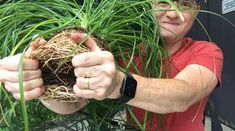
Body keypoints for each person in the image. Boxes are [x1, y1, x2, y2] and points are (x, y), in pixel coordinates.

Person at [0, 0, 223, 130]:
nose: (173, 13)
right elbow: (72, 105)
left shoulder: (207, 51)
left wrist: (119, 83)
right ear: (150, 6)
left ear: (196, 11)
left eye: (184, 4)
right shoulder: (126, 53)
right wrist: (44, 82)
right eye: (163, 1)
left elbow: (182, 96)